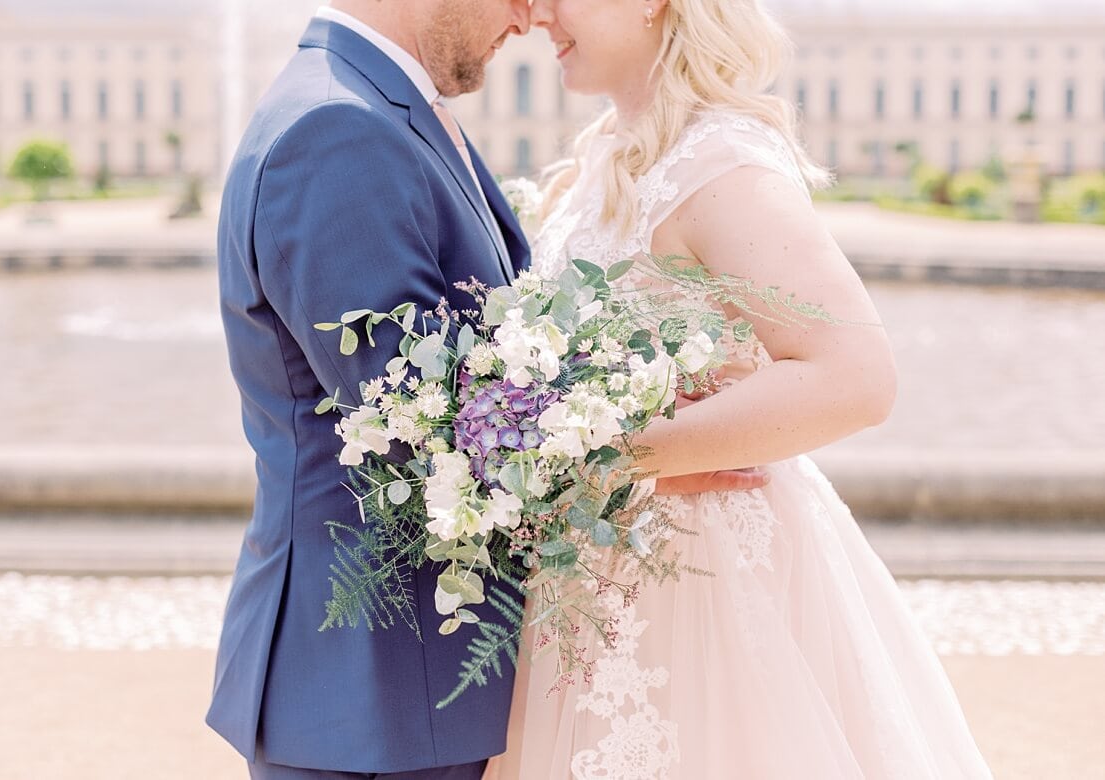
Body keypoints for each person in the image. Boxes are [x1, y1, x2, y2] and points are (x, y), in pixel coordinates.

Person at [207, 1, 764, 777]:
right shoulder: (337, 131)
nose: (531, 12)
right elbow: (423, 432)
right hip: (375, 691)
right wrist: (640, 460)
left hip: (403, 686)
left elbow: (464, 380)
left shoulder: (377, 109)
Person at [486, 0, 995, 778]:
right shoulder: (608, 157)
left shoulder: (718, 162)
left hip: (704, 585)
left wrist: (612, 459)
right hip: (595, 591)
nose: (537, 11)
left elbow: (855, 375)